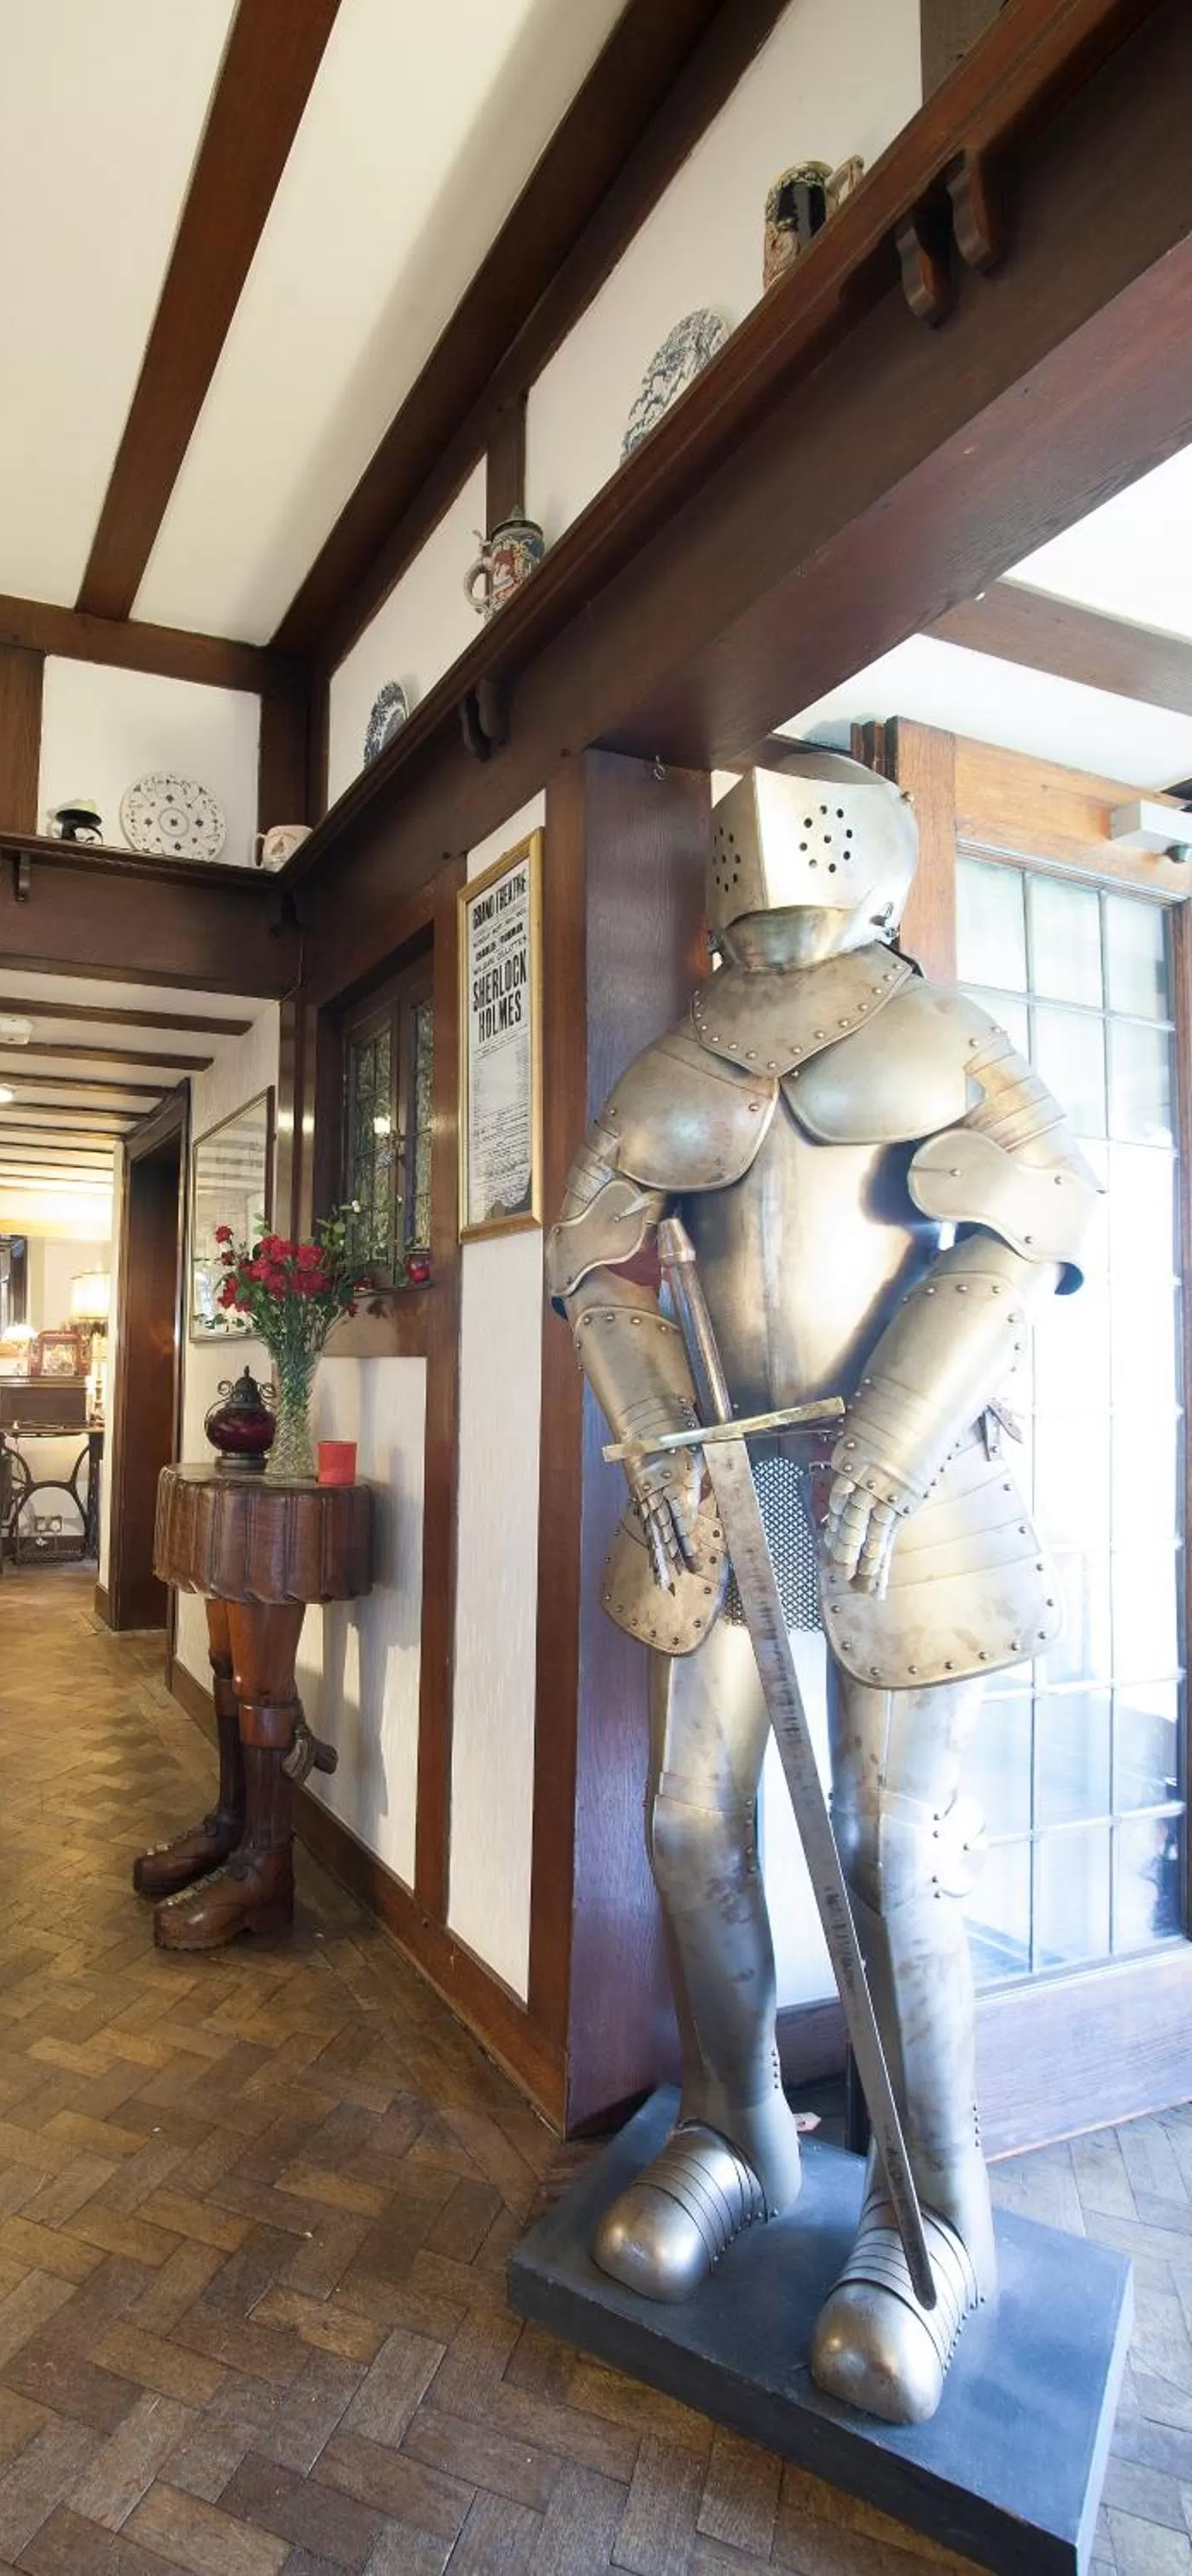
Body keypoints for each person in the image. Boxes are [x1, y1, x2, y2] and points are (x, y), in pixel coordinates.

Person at [547, 750, 1096, 2423]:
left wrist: (898, 1429)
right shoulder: (685, 1050)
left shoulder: (945, 1024)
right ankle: (731, 2128)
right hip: (724, 1471)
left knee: (889, 1849)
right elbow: (591, 1253)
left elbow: (1038, 1211)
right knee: (692, 1823)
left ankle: (931, 2222)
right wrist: (651, 1436)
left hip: (886, 1478)